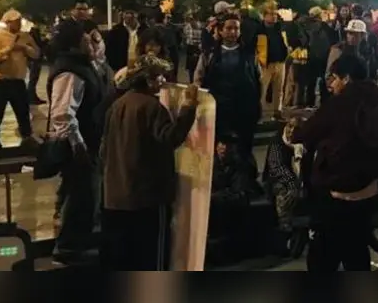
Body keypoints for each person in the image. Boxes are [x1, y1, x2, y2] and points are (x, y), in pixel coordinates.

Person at [100, 56, 198, 270]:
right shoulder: (152, 107)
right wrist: (188, 108)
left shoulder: (117, 105)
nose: (163, 81)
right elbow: (170, 137)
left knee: (127, 256)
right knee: (151, 255)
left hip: (116, 195)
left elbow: (104, 149)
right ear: (149, 80)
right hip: (146, 196)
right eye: (160, 76)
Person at [290, 54, 378, 271]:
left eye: (333, 78)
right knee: (357, 249)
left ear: (347, 78)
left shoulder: (339, 104)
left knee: (324, 254)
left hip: (338, 189)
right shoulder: (375, 101)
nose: (330, 84)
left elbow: (306, 133)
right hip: (368, 189)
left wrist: (293, 129)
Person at [42, 20, 108, 263]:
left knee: (85, 195)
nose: (91, 41)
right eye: (86, 38)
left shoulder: (82, 64)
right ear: (74, 42)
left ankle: (78, 243)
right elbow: (62, 113)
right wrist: (78, 144)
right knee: (80, 196)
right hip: (78, 146)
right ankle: (69, 248)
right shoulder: (70, 71)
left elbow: (101, 61)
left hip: (88, 141)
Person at [194, 15, 262, 162]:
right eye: (229, 28)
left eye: (236, 28)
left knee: (243, 150)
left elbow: (258, 79)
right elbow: (198, 79)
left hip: (243, 110)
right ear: (220, 31)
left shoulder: (249, 54)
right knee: (217, 150)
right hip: (218, 109)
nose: (233, 32)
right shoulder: (210, 54)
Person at [262, 116, 307, 251]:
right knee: (286, 192)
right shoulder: (277, 142)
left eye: (296, 128)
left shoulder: (304, 143)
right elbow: (277, 167)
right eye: (290, 126)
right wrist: (294, 184)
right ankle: (286, 233)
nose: (292, 131)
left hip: (301, 180)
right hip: (278, 181)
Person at [0, 9, 40, 148]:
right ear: (8, 22)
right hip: (1, 80)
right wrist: (9, 49)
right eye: (16, 22)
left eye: (19, 21)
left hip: (18, 80)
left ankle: (27, 137)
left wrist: (25, 48)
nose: (19, 24)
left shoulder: (25, 36)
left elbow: (36, 54)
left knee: (23, 111)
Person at [259, 7, 289, 121]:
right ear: (265, 15)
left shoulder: (280, 28)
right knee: (262, 89)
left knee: (279, 89)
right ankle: (260, 112)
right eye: (271, 14)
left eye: (275, 14)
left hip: (280, 62)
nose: (274, 16)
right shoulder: (259, 30)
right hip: (265, 64)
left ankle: (277, 111)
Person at [182, 14, 203, 84]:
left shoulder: (199, 26)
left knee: (197, 65)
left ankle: (196, 81)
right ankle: (192, 81)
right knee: (192, 67)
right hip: (192, 47)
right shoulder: (188, 26)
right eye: (190, 20)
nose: (191, 21)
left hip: (196, 47)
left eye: (192, 19)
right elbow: (185, 35)